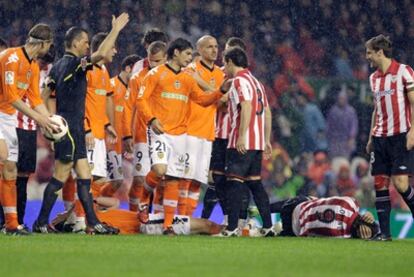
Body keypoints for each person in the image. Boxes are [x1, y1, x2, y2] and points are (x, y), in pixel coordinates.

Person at [33, 13, 130, 234]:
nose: (87, 45)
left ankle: (93, 223)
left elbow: (43, 93)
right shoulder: (74, 64)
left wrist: (45, 120)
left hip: (71, 127)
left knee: (85, 177)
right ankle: (40, 223)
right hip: (70, 129)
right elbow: (102, 54)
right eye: (85, 42)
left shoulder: (57, 66)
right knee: (59, 177)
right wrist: (115, 30)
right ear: (76, 43)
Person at [135, 38, 226, 234]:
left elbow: (201, 100)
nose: (189, 59)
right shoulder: (156, 74)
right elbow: (141, 99)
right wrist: (151, 120)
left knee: (174, 178)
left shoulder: (187, 78)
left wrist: (220, 92)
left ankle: (168, 226)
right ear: (175, 53)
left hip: (181, 135)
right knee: (159, 170)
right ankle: (144, 199)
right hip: (160, 131)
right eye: (187, 54)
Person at [0, 23, 58, 234]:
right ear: (43, 43)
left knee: (10, 170)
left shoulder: (32, 66)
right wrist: (38, 119)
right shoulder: (10, 58)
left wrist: (49, 120)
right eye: (49, 44)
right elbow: (11, 96)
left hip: (7, 118)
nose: (49, 48)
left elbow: (34, 98)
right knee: (6, 163)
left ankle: (11, 224)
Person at [217, 47, 273, 237]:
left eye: (224, 63)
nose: (224, 67)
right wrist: (266, 140)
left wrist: (241, 136)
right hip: (257, 142)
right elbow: (267, 111)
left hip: (242, 142)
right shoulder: (256, 82)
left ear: (231, 62)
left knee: (233, 182)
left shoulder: (240, 81)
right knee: (255, 184)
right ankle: (268, 226)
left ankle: (231, 228)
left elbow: (246, 106)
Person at [365, 34, 414, 241]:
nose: (367, 57)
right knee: (380, 183)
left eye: (369, 53)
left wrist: (413, 132)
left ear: (379, 52)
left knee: (401, 184)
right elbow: (376, 110)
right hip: (379, 137)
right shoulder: (373, 78)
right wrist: (370, 138)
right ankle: (385, 234)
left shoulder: (404, 72)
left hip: (400, 136)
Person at [178, 35, 225, 217]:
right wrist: (218, 93)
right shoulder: (190, 70)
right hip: (190, 130)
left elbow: (223, 101)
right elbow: (203, 97)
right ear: (200, 50)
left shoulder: (220, 74)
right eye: (209, 47)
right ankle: (180, 216)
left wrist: (206, 85)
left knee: (198, 180)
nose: (214, 50)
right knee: (185, 177)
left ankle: (187, 218)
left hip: (207, 133)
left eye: (216, 46)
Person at [202, 37, 247, 223]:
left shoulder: (245, 79)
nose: (226, 57)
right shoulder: (219, 73)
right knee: (215, 179)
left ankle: (241, 220)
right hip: (217, 134)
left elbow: (223, 101)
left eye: (231, 53)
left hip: (235, 136)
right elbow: (213, 99)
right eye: (226, 51)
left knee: (238, 180)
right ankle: (217, 217)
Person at [126, 41, 167, 212]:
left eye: (158, 61)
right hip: (142, 134)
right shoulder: (137, 78)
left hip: (166, 135)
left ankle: (157, 218)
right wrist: (127, 135)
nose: (154, 64)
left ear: (166, 58)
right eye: (151, 61)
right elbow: (129, 107)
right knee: (139, 179)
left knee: (163, 179)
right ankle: (135, 216)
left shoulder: (172, 77)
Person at [102, 54, 140, 198]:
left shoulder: (135, 92)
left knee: (120, 181)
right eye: (136, 71)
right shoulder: (111, 86)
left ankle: (99, 206)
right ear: (128, 68)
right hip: (109, 141)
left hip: (125, 142)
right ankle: (91, 207)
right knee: (112, 180)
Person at [51, 208, 222, 236]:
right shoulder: (88, 226)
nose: (60, 213)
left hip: (148, 219)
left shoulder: (91, 213)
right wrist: (64, 216)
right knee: (207, 225)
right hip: (149, 225)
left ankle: (228, 231)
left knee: (203, 228)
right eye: (59, 216)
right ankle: (234, 231)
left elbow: (113, 203)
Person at [270, 196, 379, 239]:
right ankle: (274, 230)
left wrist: (367, 214)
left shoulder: (351, 203)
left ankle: (262, 209)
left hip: (295, 204)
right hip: (292, 229)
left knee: (315, 200)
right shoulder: (342, 236)